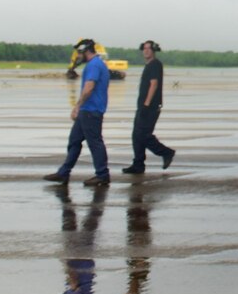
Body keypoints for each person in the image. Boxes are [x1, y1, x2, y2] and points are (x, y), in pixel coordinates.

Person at [45, 37, 111, 185]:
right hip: (88, 110)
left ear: (85, 51)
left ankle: (102, 174)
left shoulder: (93, 65)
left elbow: (89, 87)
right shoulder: (98, 64)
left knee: (95, 143)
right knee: (74, 141)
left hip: (91, 111)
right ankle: (64, 173)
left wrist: (77, 106)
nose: (78, 56)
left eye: (79, 53)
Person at [121, 39, 176, 174]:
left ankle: (166, 152)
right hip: (143, 106)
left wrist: (146, 104)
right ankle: (138, 164)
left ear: (153, 50)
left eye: (148, 48)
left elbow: (154, 84)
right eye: (144, 48)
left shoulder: (155, 65)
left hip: (150, 107)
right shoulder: (149, 65)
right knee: (136, 135)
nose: (146, 51)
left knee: (143, 135)